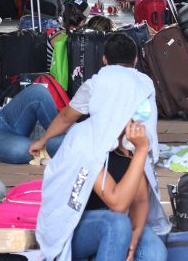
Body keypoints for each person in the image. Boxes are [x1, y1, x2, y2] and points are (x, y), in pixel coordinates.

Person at [34, 34, 169, 261]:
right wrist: (143, 151)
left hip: (120, 224)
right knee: (116, 224)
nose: (142, 115)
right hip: (74, 225)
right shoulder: (86, 141)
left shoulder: (131, 144)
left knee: (154, 252)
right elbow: (117, 202)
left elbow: (140, 199)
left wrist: (136, 235)